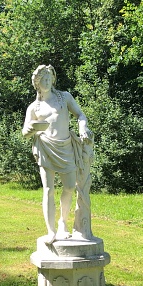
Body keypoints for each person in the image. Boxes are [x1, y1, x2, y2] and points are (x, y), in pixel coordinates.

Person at [22, 65, 92, 244]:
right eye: (43, 80)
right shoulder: (34, 107)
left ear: (53, 79)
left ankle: (63, 222)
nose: (47, 82)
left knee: (69, 187)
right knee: (48, 189)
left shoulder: (64, 97)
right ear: (37, 83)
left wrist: (82, 126)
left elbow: (80, 114)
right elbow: (25, 132)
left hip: (66, 147)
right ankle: (50, 231)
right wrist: (30, 129)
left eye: (49, 78)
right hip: (45, 147)